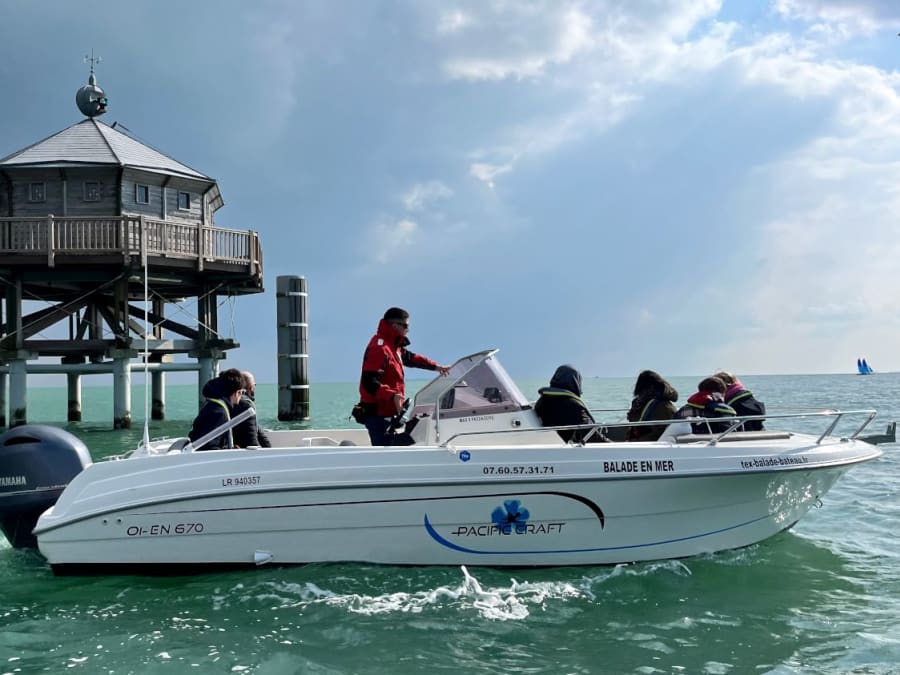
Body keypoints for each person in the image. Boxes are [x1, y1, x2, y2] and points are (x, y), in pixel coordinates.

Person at [358, 307, 450, 446]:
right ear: (395, 326)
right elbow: (369, 382)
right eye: (406, 326)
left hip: (389, 412)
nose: (408, 330)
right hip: (378, 414)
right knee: (385, 454)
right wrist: (392, 395)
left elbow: (411, 358)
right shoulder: (380, 348)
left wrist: (437, 367)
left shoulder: (393, 347)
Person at [534, 364, 608, 444]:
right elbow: (591, 435)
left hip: (552, 444)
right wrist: (611, 444)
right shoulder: (572, 406)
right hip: (568, 449)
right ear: (575, 381)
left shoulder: (542, 401)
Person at [188, 368, 244, 450]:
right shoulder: (219, 413)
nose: (241, 396)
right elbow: (208, 447)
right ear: (237, 392)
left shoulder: (212, 406)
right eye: (242, 392)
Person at [626, 370, 679, 441]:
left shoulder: (661, 405)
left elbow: (659, 433)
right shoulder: (639, 402)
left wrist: (634, 441)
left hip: (652, 443)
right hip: (642, 441)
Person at [232, 370, 272, 448]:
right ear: (251, 387)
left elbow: (256, 429)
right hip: (242, 452)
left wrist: (269, 449)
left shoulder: (232, 402)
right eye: (255, 385)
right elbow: (252, 439)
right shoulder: (245, 406)